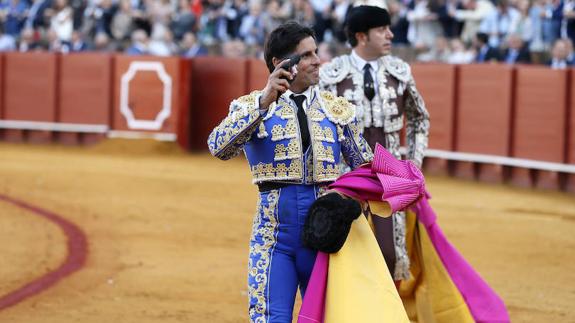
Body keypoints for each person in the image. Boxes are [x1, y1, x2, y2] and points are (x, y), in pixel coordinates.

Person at [207, 21, 373, 323]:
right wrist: (263, 101)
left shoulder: (336, 110)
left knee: (327, 318)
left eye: (316, 52)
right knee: (271, 318)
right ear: (281, 63)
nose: (317, 60)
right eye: (307, 55)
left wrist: (353, 200)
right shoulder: (252, 106)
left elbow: (365, 169)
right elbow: (219, 147)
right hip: (273, 239)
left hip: (326, 239)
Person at [298, 144, 510, 323]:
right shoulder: (333, 101)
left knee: (391, 256)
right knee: (342, 260)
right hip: (349, 186)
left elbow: (419, 120)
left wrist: (412, 165)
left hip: (385, 183)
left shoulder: (400, 91)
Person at [319, 5, 430, 282]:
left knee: (389, 252)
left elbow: (419, 119)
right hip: (345, 176)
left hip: (390, 176)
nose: (390, 35)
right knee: (341, 247)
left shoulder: (400, 71)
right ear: (362, 36)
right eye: (382, 30)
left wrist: (413, 165)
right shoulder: (331, 74)